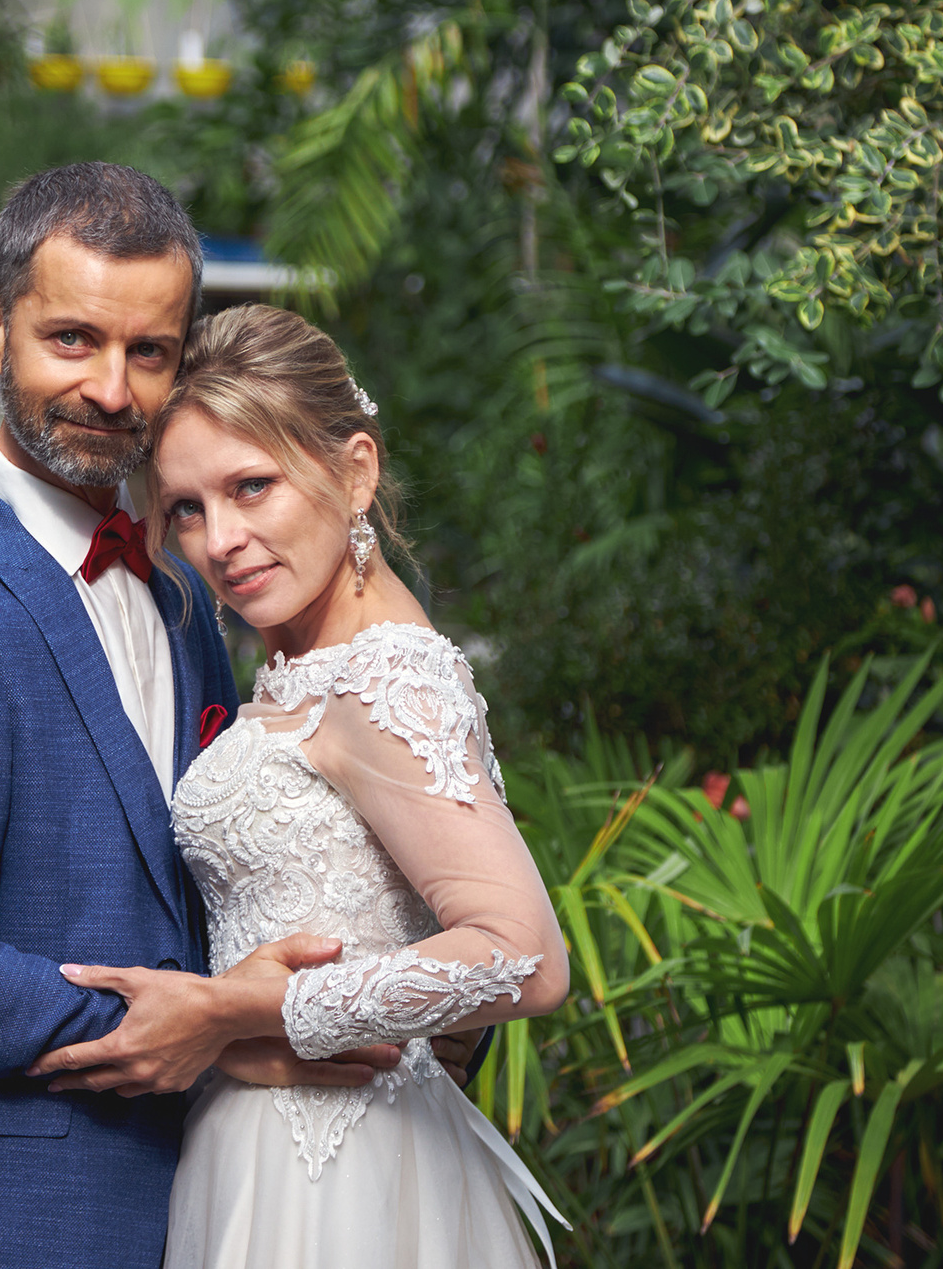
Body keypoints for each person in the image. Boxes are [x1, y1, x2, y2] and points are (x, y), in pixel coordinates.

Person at [0, 166, 469, 1269]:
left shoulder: (184, 595)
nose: (112, 391)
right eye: (72, 340)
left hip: (217, 1192)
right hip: (13, 1211)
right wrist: (196, 1028)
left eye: (150, 352)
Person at [31, 303, 569, 1268]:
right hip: (259, 1147)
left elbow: (524, 956)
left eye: (252, 486)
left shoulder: (383, 676)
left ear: (354, 470)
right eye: (188, 507)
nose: (220, 539)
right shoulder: (303, 659)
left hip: (338, 1174)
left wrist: (239, 1010)